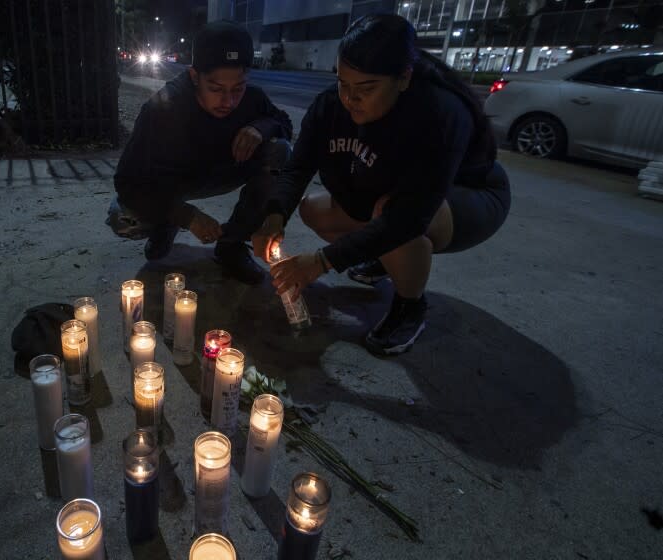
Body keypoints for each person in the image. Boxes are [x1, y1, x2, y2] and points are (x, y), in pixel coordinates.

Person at [252, 14, 510, 355]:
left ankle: (409, 306)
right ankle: (385, 258)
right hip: (392, 196)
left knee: (390, 214)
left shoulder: (438, 113)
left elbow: (411, 217)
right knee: (314, 209)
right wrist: (274, 215)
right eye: (343, 83)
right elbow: (298, 167)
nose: (349, 99)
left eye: (366, 88)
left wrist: (322, 261)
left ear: (403, 78)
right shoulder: (331, 105)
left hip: (468, 198)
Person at [108, 21, 293, 284]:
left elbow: (284, 122)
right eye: (216, 89)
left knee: (281, 150)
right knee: (124, 218)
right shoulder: (163, 108)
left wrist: (262, 126)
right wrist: (185, 215)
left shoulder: (253, 98)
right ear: (195, 77)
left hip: (223, 172)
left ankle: (231, 245)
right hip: (171, 183)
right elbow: (126, 182)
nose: (228, 102)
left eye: (237, 89)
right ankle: (165, 224)